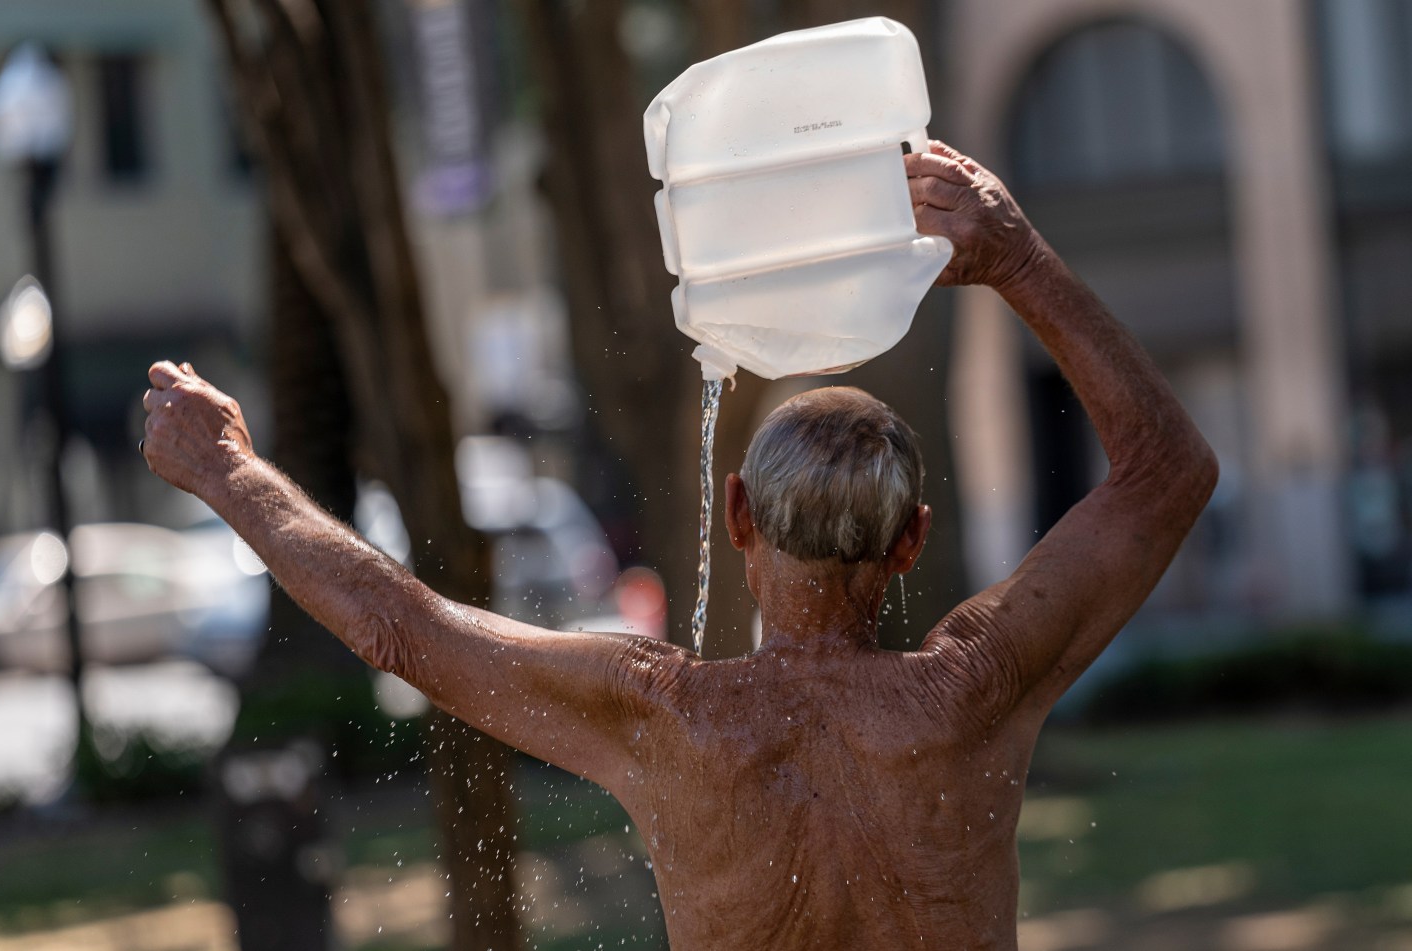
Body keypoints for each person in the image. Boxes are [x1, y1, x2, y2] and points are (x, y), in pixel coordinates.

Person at [142, 142, 1217, 950]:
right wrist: (1016, 257)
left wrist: (230, 471)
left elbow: (401, 630)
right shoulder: (978, 691)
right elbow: (1169, 472)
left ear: (738, 516)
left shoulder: (665, 718)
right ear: (910, 544)